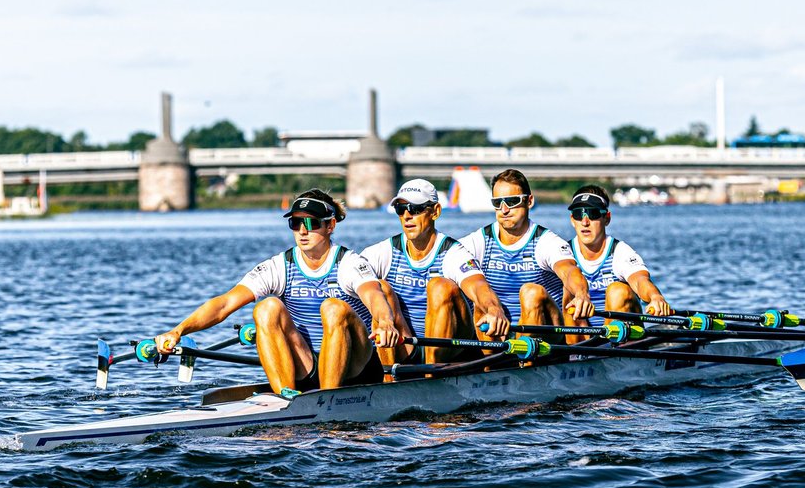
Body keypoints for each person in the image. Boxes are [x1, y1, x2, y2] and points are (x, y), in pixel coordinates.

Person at [152, 189, 400, 395]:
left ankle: (328, 398)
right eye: (295, 223)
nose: (303, 231)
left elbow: (373, 295)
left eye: (312, 223)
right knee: (266, 308)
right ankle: (286, 395)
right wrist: (178, 330)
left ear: (330, 226)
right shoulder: (279, 265)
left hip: (355, 366)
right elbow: (225, 304)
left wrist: (386, 323)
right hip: (307, 363)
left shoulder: (349, 263)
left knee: (333, 307)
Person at [361, 179, 510, 365]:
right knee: (379, 288)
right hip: (406, 344)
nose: (407, 216)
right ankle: (388, 381)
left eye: (415, 208)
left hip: (451, 346)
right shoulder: (381, 253)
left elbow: (478, 285)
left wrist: (494, 309)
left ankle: (431, 374)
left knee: (439, 286)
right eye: (401, 209)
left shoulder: (453, 252)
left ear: (435, 212)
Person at [458, 168, 594, 337]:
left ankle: (527, 361)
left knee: (531, 292)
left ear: (529, 201)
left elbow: (569, 270)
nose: (504, 210)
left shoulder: (546, 242)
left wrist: (581, 294)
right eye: (497, 203)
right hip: (497, 333)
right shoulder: (478, 241)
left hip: (545, 335)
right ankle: (484, 361)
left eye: (512, 201)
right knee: (475, 295)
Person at [564, 185, 672, 342]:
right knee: (564, 286)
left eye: (593, 214)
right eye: (578, 214)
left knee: (617, 290)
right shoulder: (562, 254)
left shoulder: (620, 252)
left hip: (620, 339)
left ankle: (607, 351)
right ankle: (576, 355)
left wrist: (655, 296)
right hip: (579, 337)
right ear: (572, 220)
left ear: (606, 218)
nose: (585, 222)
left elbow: (640, 280)